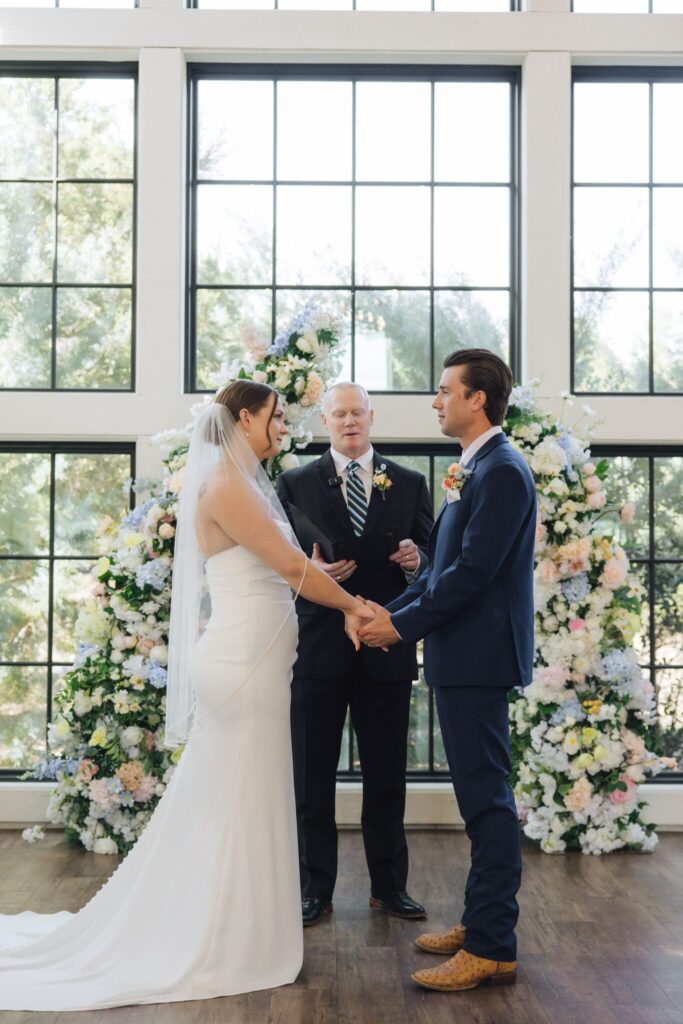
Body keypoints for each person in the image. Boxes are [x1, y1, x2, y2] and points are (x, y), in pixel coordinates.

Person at [0, 381, 373, 1011]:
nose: (283, 429)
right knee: (240, 795)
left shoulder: (242, 482)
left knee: (241, 796)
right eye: (276, 419)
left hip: (254, 658)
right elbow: (289, 570)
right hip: (242, 663)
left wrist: (328, 591)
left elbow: (285, 564)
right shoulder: (227, 485)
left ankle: (240, 923)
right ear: (246, 418)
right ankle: (226, 936)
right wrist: (358, 607)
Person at [358, 350, 537, 993]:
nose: (435, 402)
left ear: (477, 399)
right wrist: (386, 609)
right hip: (465, 657)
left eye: (443, 391)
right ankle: (482, 921)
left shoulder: (504, 472)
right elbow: (438, 569)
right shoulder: (477, 466)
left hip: (480, 661)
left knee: (487, 802)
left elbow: (472, 576)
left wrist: (398, 627)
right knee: (477, 800)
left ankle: (492, 945)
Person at [276, 382, 434, 927]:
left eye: (357, 413)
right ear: (324, 420)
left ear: (372, 416)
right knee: (310, 775)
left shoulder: (411, 482)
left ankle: (389, 887)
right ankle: (312, 888)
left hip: (385, 649)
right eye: (338, 413)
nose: (349, 422)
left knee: (387, 777)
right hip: (318, 649)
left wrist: (416, 560)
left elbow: (432, 565)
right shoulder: (292, 483)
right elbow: (276, 564)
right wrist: (309, 574)